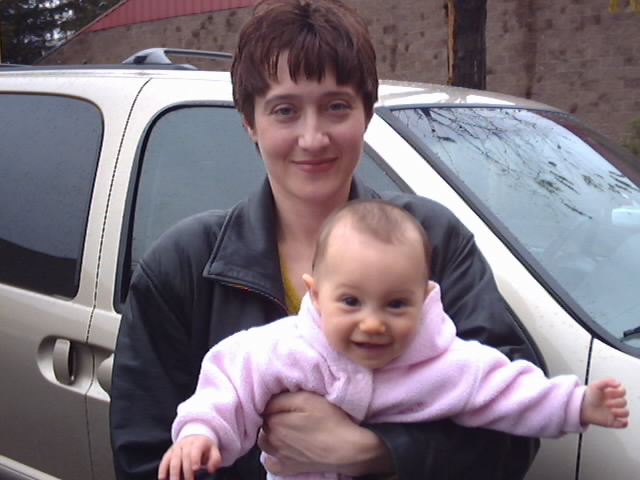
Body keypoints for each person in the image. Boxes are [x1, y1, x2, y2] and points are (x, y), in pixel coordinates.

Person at [110, 0, 545, 478]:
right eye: (285, 111)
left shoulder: (434, 241)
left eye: (336, 106)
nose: (313, 138)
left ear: (366, 113)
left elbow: (515, 432)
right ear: (250, 122)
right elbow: (145, 459)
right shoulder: (182, 267)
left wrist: (375, 451)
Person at [156, 200, 628, 480]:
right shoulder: (285, 348)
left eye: (396, 304)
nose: (373, 324)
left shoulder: (446, 365)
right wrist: (200, 434)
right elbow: (230, 385)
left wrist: (576, 404)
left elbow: (512, 392)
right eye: (351, 302)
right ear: (316, 295)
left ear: (425, 298)